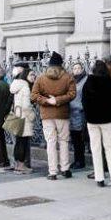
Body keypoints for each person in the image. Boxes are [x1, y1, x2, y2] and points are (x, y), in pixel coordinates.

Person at [31, 52, 76, 180]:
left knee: (51, 142)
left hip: (47, 115)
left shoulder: (41, 78)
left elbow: (33, 96)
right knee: (64, 141)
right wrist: (57, 100)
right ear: (61, 65)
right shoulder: (68, 77)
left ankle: (53, 172)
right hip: (62, 114)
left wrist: (46, 101)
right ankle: (65, 169)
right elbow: (72, 94)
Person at [82, 60, 111, 188]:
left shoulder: (88, 82)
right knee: (110, 148)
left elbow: (84, 101)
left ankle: (99, 178)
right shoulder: (108, 82)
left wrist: (89, 114)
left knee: (96, 149)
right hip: (107, 120)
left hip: (92, 120)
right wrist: (110, 112)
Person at [8, 64, 36, 174]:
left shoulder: (17, 85)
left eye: (34, 74)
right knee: (22, 143)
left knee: (19, 142)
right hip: (24, 118)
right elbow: (26, 106)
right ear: (25, 76)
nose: (33, 77)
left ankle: (17, 165)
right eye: (31, 75)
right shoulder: (25, 87)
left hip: (17, 116)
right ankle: (21, 166)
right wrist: (32, 116)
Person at [69, 62, 88, 170]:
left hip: (80, 112)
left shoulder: (85, 80)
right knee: (75, 139)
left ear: (82, 69)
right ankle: (77, 160)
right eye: (74, 68)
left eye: (78, 68)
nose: (76, 70)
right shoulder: (71, 80)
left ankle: (80, 161)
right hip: (71, 113)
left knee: (80, 138)